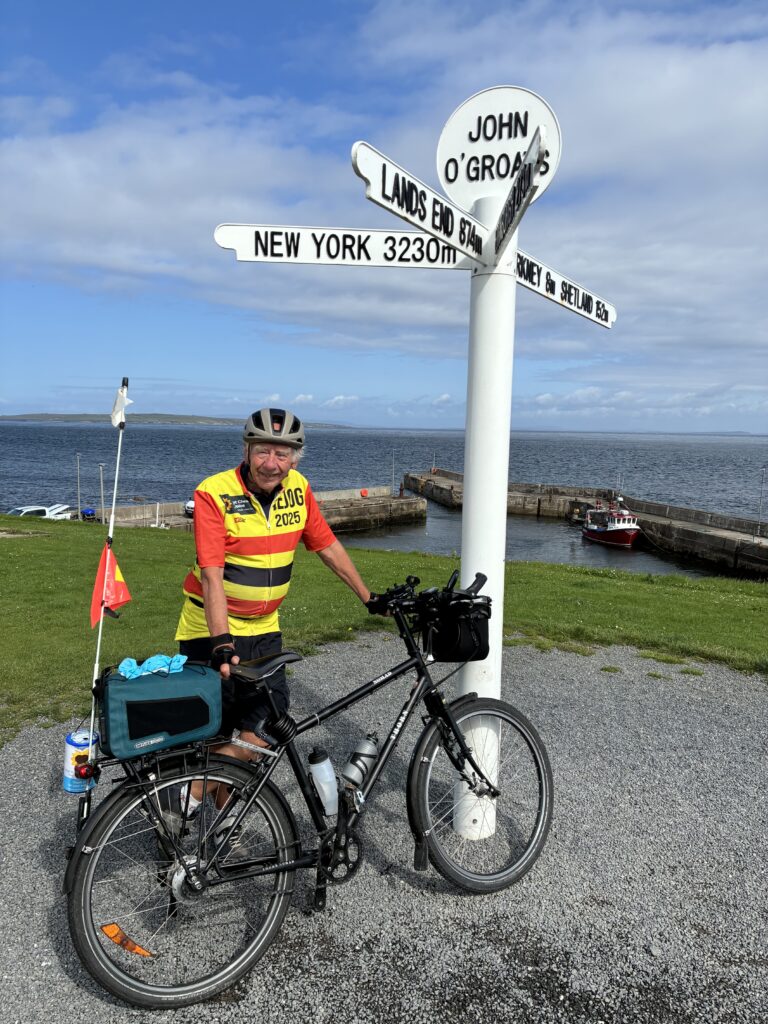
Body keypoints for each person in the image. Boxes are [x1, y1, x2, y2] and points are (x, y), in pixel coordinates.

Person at [173, 408, 383, 822]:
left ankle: (197, 794)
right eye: (263, 451)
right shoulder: (213, 493)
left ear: (296, 458)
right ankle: (198, 810)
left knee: (264, 728)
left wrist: (368, 596)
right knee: (212, 729)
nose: (272, 463)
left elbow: (327, 546)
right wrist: (221, 642)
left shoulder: (299, 490)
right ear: (247, 450)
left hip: (265, 631)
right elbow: (213, 576)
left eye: (282, 454)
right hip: (209, 630)